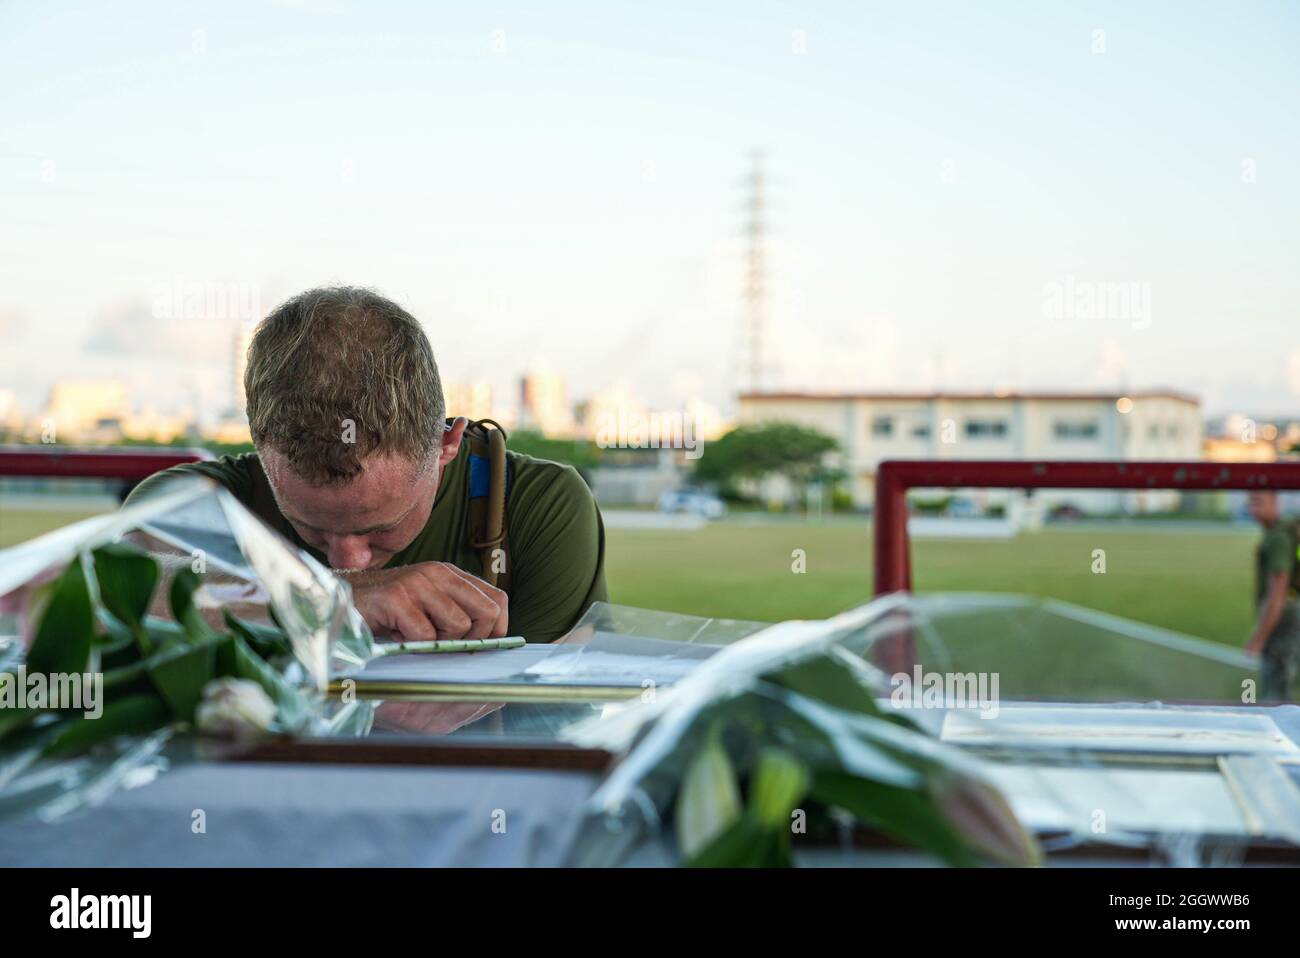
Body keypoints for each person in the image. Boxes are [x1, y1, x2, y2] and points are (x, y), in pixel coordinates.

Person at [125, 286, 607, 644]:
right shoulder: (202, 500)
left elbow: (554, 717)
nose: (346, 561)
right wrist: (332, 602)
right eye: (308, 527)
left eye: (381, 528)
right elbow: (120, 589)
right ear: (259, 445)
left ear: (447, 442)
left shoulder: (536, 506)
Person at [1244, 490, 1300, 701]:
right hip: (1287, 615)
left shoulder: (1278, 539)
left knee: (1278, 695)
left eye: (1258, 502)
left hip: (1283, 620)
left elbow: (1278, 593)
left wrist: (1257, 641)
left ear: (1275, 501)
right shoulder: (1280, 532)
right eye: (1250, 503)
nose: (1253, 509)